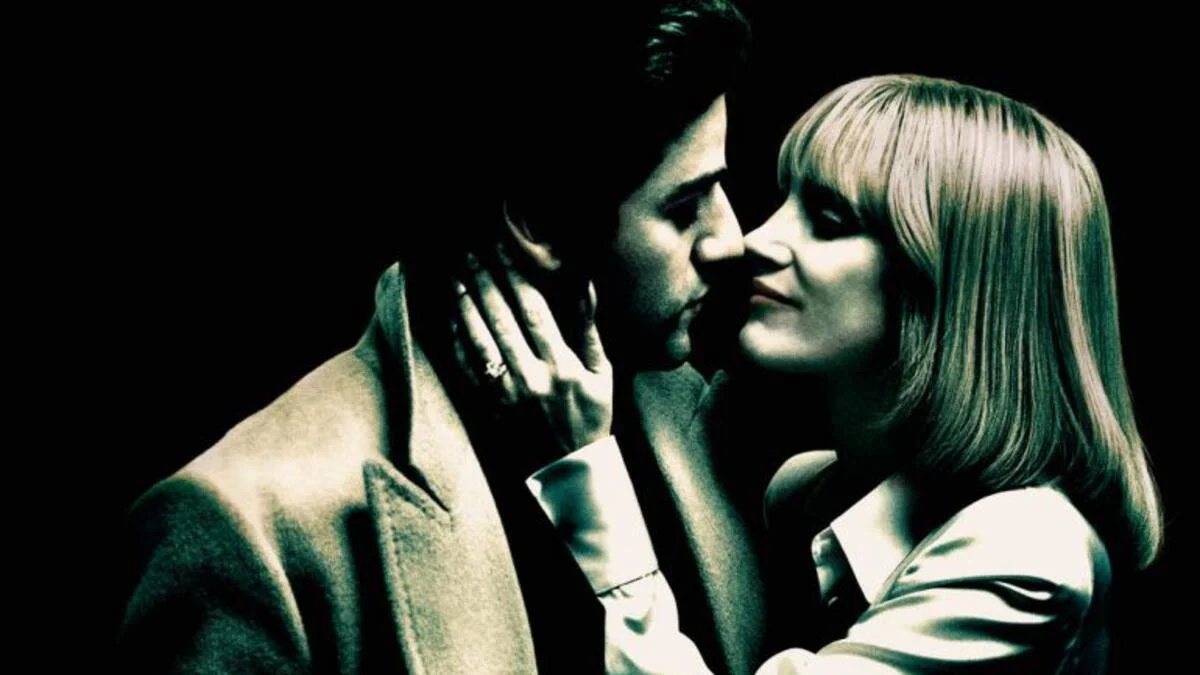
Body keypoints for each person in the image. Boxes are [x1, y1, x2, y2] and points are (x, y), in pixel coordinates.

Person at [116, 3, 765, 673]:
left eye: (720, 190)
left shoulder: (711, 425)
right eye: (684, 207)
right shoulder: (247, 525)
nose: (730, 239)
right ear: (537, 223)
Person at [454, 74, 1164, 672]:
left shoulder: (1026, 556)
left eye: (826, 219)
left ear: (951, 287)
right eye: (785, 199)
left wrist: (578, 473)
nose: (753, 240)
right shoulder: (803, 494)